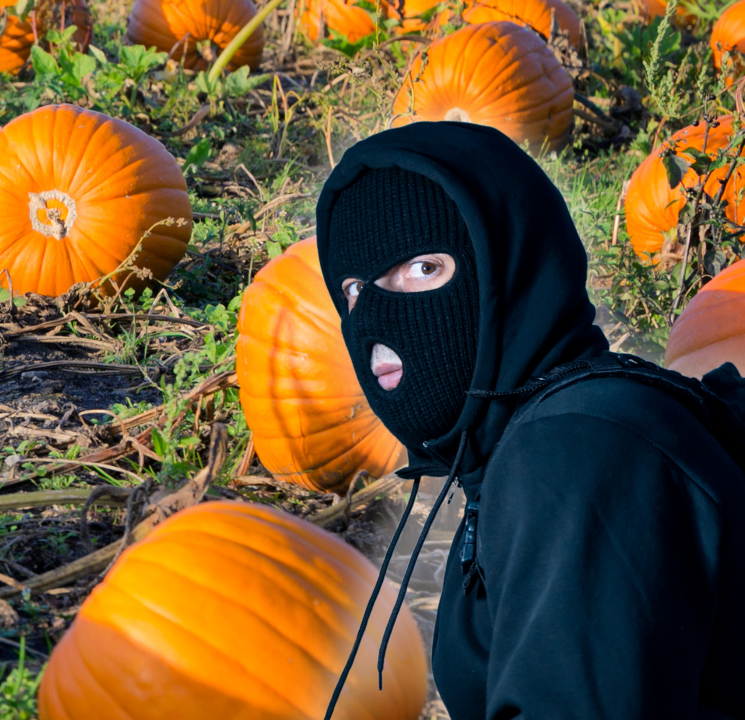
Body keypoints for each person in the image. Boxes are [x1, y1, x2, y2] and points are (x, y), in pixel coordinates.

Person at [312, 122, 745, 720]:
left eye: (422, 269)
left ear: (509, 269)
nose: (377, 318)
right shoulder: (537, 434)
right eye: (358, 289)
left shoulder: (573, 453)